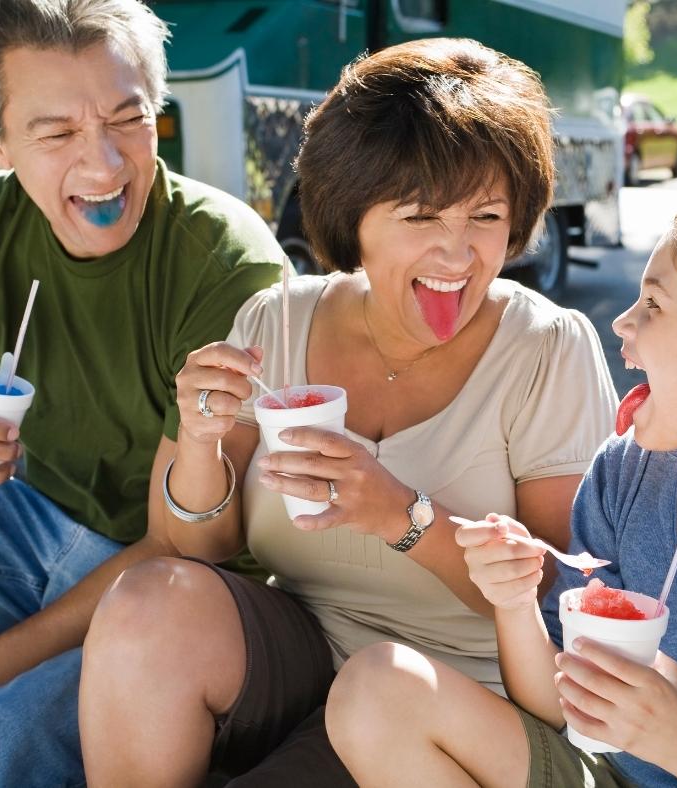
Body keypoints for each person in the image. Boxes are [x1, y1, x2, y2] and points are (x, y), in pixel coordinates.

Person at [77, 37, 618, 786]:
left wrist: (400, 514)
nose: (457, 255)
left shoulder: (547, 347)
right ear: (353, 213)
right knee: (147, 603)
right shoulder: (275, 323)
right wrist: (199, 441)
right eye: (421, 216)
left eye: (486, 217)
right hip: (301, 651)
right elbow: (191, 551)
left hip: (455, 699)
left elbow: (558, 590)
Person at [325, 186, 677, 787]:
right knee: (377, 687)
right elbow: (557, 703)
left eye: (654, 306)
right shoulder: (627, 472)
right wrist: (513, 603)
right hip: (589, 773)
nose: (622, 323)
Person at [0, 0, 283, 784]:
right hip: (39, 542)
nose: (105, 166)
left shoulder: (224, 264)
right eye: (57, 134)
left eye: (128, 119)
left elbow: (182, 545)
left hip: (183, 603)